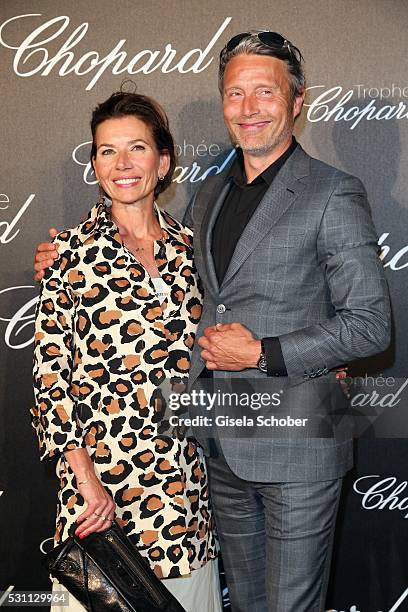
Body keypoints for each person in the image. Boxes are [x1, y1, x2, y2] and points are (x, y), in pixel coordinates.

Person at [34, 31, 391, 612]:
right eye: (234, 94)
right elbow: (56, 375)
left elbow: (371, 325)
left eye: (264, 92)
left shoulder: (333, 191)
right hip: (212, 456)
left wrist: (265, 353)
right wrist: (59, 262)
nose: (248, 108)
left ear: (297, 101)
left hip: (295, 446)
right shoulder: (207, 201)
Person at [32, 91, 221, 612]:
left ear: (162, 161)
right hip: (102, 500)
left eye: (136, 148)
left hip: (185, 495)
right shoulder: (69, 252)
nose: (122, 164)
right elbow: (52, 382)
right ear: (94, 164)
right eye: (107, 151)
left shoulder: (194, 249)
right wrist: (86, 483)